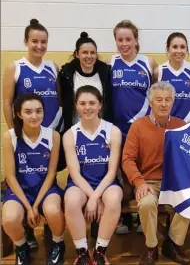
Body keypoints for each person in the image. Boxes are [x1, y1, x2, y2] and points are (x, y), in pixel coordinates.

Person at [122, 81, 190, 265]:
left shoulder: (181, 125)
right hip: (148, 182)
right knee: (146, 203)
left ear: (173, 102)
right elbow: (127, 159)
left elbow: (189, 159)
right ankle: (152, 247)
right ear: (150, 102)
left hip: (174, 183)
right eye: (159, 100)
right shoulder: (138, 126)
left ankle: (172, 244)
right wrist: (139, 182)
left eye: (168, 100)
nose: (163, 104)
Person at [2, 93, 65, 265]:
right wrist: (28, 207)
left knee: (53, 210)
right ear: (19, 114)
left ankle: (58, 243)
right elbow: (11, 176)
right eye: (28, 112)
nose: (34, 116)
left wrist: (35, 206)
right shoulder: (10, 137)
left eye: (38, 111)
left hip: (45, 188)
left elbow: (52, 174)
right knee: (9, 218)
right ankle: (22, 249)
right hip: (20, 190)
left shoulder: (53, 136)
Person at [63, 86, 123, 264]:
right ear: (76, 106)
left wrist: (96, 197)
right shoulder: (70, 135)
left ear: (100, 105)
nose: (87, 107)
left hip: (107, 182)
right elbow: (74, 173)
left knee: (112, 199)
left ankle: (99, 252)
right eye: (82, 103)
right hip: (81, 184)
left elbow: (112, 171)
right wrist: (93, 197)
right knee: (71, 200)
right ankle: (82, 253)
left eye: (92, 103)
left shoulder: (113, 131)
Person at [110, 20, 158, 234]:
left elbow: (157, 96)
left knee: (143, 171)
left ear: (136, 40)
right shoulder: (110, 64)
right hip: (118, 129)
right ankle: (126, 218)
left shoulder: (149, 64)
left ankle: (141, 215)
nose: (124, 43)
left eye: (128, 39)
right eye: (120, 39)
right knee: (122, 173)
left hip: (143, 129)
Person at [2, 19, 62, 131]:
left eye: (44, 42)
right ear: (26, 42)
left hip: (54, 129)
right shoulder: (15, 67)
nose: (39, 46)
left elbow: (59, 100)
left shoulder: (53, 67)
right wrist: (12, 131)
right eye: (34, 41)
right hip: (26, 131)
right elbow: (7, 104)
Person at [59, 31, 113, 133]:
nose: (89, 56)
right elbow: (62, 101)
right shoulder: (66, 74)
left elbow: (108, 103)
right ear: (77, 54)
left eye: (92, 53)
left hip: (100, 129)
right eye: (85, 52)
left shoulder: (105, 73)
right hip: (75, 129)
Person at [154, 32, 190, 122]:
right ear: (168, 49)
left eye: (182, 47)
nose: (179, 51)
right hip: (167, 124)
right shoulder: (159, 71)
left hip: (189, 124)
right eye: (175, 47)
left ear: (187, 49)